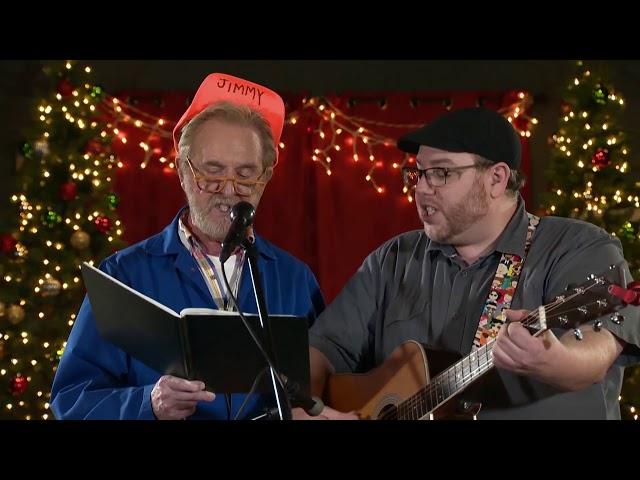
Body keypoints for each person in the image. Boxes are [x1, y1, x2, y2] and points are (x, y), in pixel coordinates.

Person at [304, 107, 640, 420]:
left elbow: (598, 351)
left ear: (496, 178)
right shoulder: (392, 260)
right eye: (418, 173)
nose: (421, 189)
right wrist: (303, 407)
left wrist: (552, 360)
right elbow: (323, 347)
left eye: (440, 173)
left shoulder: (578, 247)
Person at [51, 73, 325, 420]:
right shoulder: (123, 275)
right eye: (212, 172)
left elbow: (327, 393)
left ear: (265, 178)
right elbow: (71, 402)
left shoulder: (296, 280)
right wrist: (148, 403)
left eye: (245, 173)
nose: (229, 189)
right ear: (182, 170)